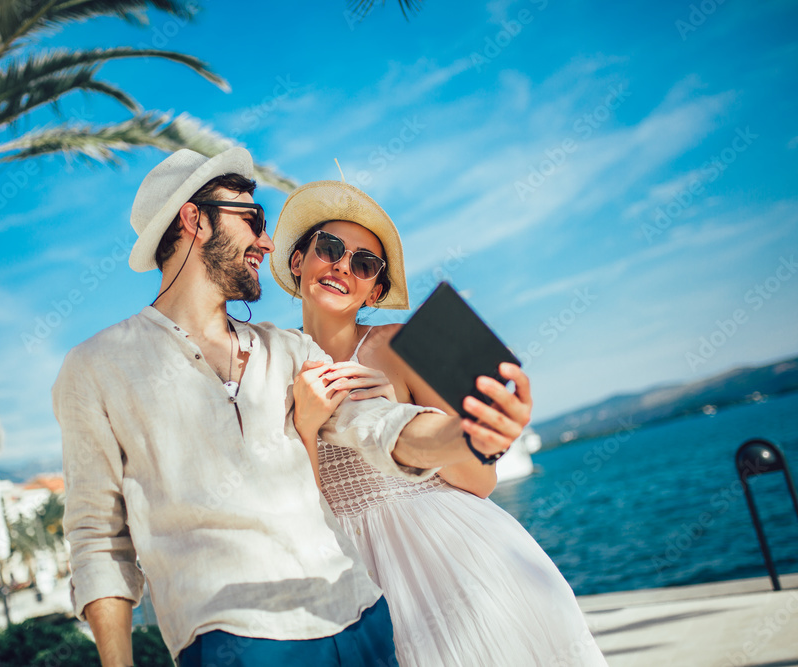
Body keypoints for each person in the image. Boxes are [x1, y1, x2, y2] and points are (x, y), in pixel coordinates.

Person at [51, 148, 524, 667]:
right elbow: (98, 539)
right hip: (234, 637)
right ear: (194, 219)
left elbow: (380, 426)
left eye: (365, 264)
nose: (267, 241)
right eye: (252, 221)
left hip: (363, 615)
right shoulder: (95, 367)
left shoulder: (289, 350)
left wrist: (470, 433)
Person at [271, 179, 609, 667]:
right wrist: (307, 425)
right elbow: (295, 505)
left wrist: (410, 419)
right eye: (330, 248)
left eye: (364, 264)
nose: (343, 266)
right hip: (345, 572)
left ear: (375, 288)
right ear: (298, 260)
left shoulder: (400, 346)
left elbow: (481, 481)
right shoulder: (269, 364)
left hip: (455, 556)